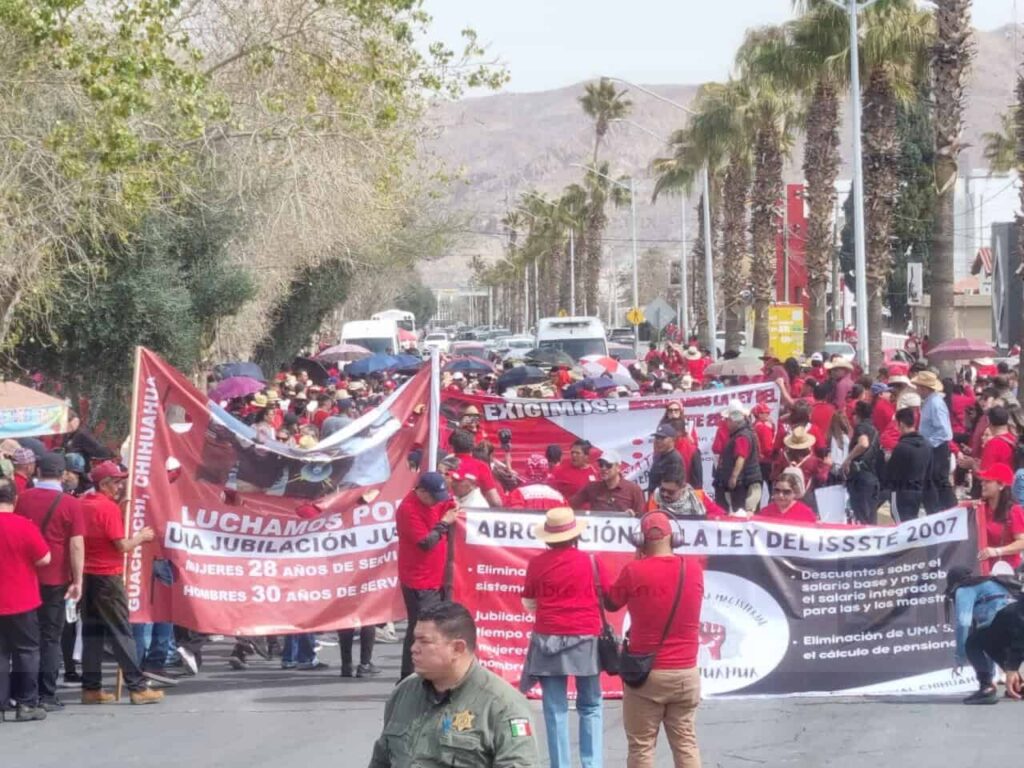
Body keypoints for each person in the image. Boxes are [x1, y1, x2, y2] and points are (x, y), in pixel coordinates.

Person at [368, 602, 540, 768]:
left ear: (457, 648)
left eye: (424, 641)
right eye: (414, 640)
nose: (413, 648)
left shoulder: (503, 705)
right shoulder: (404, 692)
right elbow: (382, 759)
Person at [604, 510, 704, 768]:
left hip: (646, 674)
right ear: (675, 538)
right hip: (685, 672)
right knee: (686, 743)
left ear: (640, 540)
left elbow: (612, 603)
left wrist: (638, 561)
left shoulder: (633, 571)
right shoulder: (693, 569)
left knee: (641, 746)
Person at [520, 507, 606, 768]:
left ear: (548, 538)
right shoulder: (592, 562)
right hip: (586, 638)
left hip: (548, 639)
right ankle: (592, 765)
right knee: (590, 705)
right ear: (574, 536)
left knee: (555, 708)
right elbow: (607, 597)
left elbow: (529, 600)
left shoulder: (537, 564)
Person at [79, 461, 163, 704]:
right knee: (121, 632)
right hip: (107, 577)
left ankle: (91, 687)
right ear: (104, 484)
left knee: (92, 634)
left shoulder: (84, 504)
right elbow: (122, 545)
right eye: (116, 482)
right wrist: (141, 537)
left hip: (88, 576)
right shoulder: (107, 509)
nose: (119, 486)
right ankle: (137, 687)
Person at [13, 452, 84, 711]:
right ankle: (47, 694)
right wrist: (78, 580)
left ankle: (22, 693)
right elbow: (76, 546)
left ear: (37, 471)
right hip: (56, 578)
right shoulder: (70, 504)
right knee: (50, 638)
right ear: (63, 474)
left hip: (25, 576)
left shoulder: (23, 499)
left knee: (25, 640)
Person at [397, 472, 459, 680]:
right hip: (419, 579)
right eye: (433, 497)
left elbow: (450, 505)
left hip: (436, 576)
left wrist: (454, 507)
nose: (436, 502)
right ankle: (409, 675)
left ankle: (426, 670)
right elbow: (425, 543)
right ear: (421, 491)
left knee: (434, 626)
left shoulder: (434, 500)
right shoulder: (408, 509)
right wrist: (444, 522)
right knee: (420, 628)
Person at [0, 476, 51, 722]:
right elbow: (44, 559)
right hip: (22, 599)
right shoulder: (25, 526)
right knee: (27, 652)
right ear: (15, 498)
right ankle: (26, 704)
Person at [945, 566, 1024, 705]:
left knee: (973, 642)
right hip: (1017, 620)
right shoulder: (991, 582)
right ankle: (1018, 686)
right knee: (989, 642)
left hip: (1005, 617)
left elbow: (963, 622)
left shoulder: (963, 589)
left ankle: (986, 687)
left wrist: (960, 656)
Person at [914, 371, 957, 514]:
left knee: (939, 482)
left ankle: (952, 510)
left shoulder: (936, 404)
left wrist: (927, 443)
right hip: (932, 448)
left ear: (924, 388)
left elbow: (945, 432)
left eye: (918, 387)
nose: (917, 390)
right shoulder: (930, 402)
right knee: (932, 482)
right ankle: (936, 511)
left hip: (937, 449)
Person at [713, 401, 762, 516]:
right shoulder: (746, 433)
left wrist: (734, 477)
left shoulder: (741, 436)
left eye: (728, 420)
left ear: (733, 421)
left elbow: (741, 457)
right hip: (746, 479)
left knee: (741, 512)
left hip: (744, 482)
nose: (727, 423)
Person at [883, 408, 931, 523]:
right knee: (910, 523)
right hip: (918, 492)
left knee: (900, 525)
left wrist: (887, 460)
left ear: (901, 424)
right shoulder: (926, 445)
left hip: (900, 492)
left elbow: (891, 473)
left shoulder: (902, 447)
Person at [974, 464, 1024, 572]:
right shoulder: (980, 507)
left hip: (1007, 571)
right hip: (982, 568)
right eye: (983, 481)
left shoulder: (1014, 510)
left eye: (988, 481)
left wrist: (997, 551)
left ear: (1001, 485)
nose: (983, 484)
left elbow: (1022, 542)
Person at [571, 449, 646, 514]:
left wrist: (632, 515)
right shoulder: (592, 487)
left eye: (608, 465)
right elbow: (570, 505)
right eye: (601, 465)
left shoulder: (633, 489)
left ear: (618, 467)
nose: (603, 468)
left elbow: (642, 517)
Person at [843, 400, 881, 525]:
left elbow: (863, 444)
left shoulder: (861, 427)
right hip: (873, 478)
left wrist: (848, 459)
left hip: (861, 479)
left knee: (861, 517)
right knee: (871, 518)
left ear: (857, 415)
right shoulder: (874, 429)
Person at [449, 430, 503, 507]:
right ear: (473, 446)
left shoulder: (444, 464)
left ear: (452, 447)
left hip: (446, 513)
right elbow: (495, 501)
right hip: (474, 513)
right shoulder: (481, 466)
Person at [650, 466, 727, 519]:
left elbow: (721, 516)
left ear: (683, 488)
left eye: (671, 492)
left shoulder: (699, 496)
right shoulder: (655, 499)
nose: (665, 494)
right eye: (662, 490)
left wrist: (704, 519)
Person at [648, 424, 684, 498]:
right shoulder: (659, 456)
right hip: (655, 500)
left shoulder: (674, 459)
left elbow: (670, 490)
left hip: (665, 504)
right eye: (657, 437)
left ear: (672, 440)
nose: (658, 441)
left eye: (662, 438)